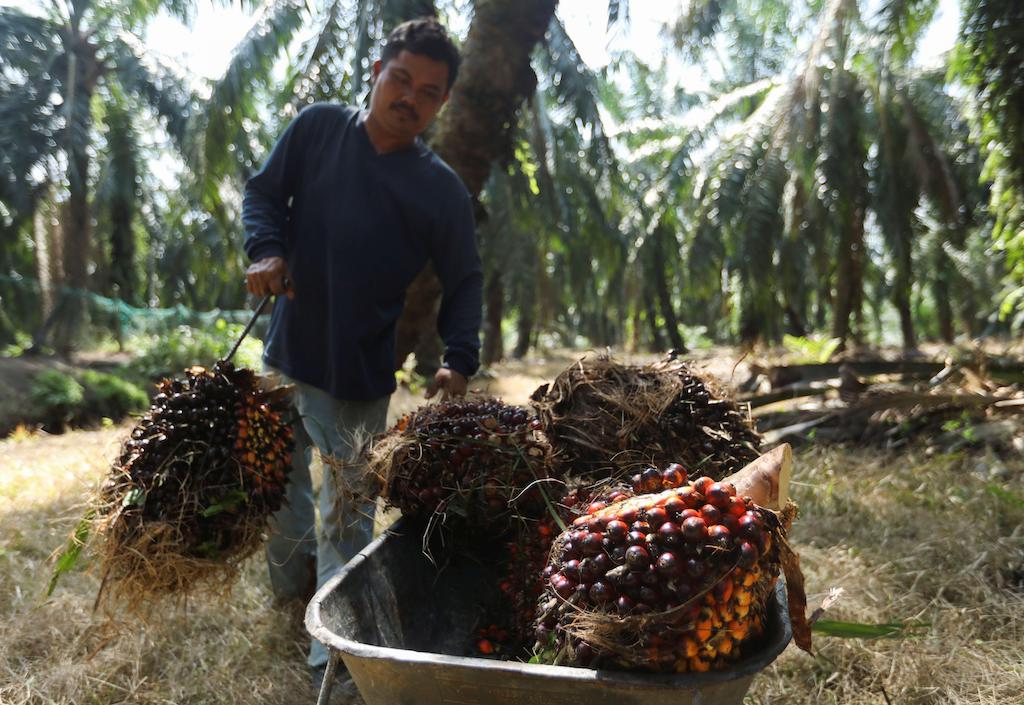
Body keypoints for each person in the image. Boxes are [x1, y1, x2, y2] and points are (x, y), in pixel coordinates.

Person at [240, 17, 482, 689]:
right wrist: (266, 249)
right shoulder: (317, 129)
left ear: (442, 104)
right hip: (286, 355)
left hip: (361, 376)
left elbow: (464, 278)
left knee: (345, 518)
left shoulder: (440, 191)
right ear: (376, 72)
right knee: (277, 493)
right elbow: (262, 193)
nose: (409, 97)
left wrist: (459, 356)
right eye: (400, 79)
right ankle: (293, 597)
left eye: (429, 92)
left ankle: (331, 654)